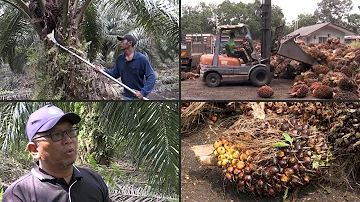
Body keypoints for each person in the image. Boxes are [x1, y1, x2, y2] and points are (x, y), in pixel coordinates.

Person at [2, 104, 111, 202]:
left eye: (71, 131)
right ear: (34, 150)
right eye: (56, 134)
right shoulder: (19, 194)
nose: (68, 140)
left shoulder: (94, 179)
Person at [95, 34, 156, 100]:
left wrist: (143, 92)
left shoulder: (141, 59)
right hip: (127, 96)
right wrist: (101, 71)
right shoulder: (120, 59)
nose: (120, 43)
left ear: (130, 43)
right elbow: (114, 74)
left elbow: (151, 76)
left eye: (122, 41)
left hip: (140, 97)